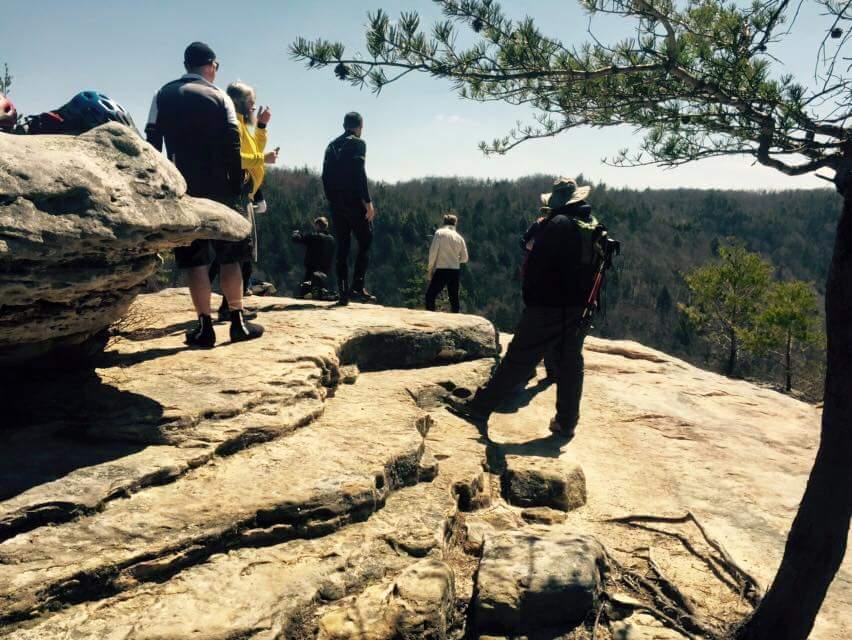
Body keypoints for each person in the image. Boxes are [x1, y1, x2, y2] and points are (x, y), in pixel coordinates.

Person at [448, 177, 604, 439]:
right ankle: (566, 422)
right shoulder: (590, 223)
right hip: (581, 307)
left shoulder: (556, 225)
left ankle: (479, 407)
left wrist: (531, 301)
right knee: (570, 362)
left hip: (549, 305)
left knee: (518, 358)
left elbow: (536, 266)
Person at [145, 41, 262, 347]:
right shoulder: (220, 97)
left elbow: (152, 145)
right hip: (221, 190)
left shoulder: (162, 94)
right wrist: (237, 186)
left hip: (183, 189)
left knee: (194, 260)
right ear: (210, 65)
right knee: (230, 257)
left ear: (187, 64)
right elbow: (232, 146)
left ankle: (204, 327)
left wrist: (159, 187)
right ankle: (237, 322)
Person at [209, 80, 279, 320]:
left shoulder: (239, 124)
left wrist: (261, 126)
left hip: (244, 195)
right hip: (236, 196)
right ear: (239, 103)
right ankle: (230, 308)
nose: (253, 106)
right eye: (251, 102)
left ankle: (230, 305)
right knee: (238, 254)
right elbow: (236, 158)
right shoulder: (231, 125)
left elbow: (253, 150)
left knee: (243, 255)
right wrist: (263, 158)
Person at [322, 111, 376, 305]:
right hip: (353, 201)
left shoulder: (331, 145)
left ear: (344, 125)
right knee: (366, 239)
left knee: (343, 246)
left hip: (336, 202)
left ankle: (343, 291)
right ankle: (357, 287)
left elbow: (325, 176)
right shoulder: (358, 143)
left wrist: (331, 199)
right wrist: (367, 202)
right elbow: (359, 173)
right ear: (359, 126)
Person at [425, 212, 469, 313]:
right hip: (455, 270)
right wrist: (455, 259)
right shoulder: (459, 237)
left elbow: (433, 252)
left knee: (430, 295)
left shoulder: (439, 233)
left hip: (442, 269)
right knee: (454, 299)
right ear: (455, 223)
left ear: (444, 222)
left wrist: (430, 268)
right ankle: (456, 320)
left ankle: (430, 317)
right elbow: (465, 258)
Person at [291, 217, 337, 300]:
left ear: (318, 226)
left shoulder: (313, 236)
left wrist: (295, 233)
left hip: (312, 268)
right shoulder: (331, 239)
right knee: (322, 286)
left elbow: (297, 239)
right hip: (326, 269)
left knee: (305, 289)